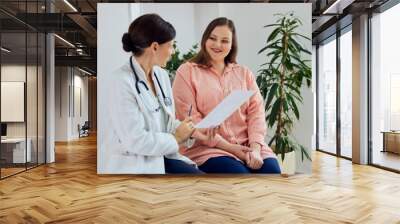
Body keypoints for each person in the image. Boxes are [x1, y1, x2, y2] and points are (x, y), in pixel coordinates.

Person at [101, 14, 209, 174]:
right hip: (135, 164)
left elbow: (165, 122)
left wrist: (189, 130)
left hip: (162, 157)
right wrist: (176, 138)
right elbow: (135, 140)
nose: (172, 52)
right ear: (155, 47)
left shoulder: (161, 76)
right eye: (171, 46)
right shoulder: (121, 81)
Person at [172, 17, 281, 174]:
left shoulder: (244, 74)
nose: (218, 45)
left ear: (232, 44)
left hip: (249, 144)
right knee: (239, 175)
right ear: (205, 39)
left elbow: (256, 113)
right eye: (213, 38)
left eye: (224, 41)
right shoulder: (187, 71)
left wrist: (256, 148)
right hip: (209, 148)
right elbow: (190, 119)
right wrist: (232, 149)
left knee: (272, 171)